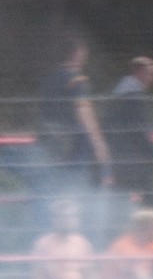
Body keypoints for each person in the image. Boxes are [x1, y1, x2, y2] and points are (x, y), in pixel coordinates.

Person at [37, 38, 109, 200]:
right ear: (77, 53)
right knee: (73, 185)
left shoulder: (49, 79)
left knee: (50, 184)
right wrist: (99, 143)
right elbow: (84, 112)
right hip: (71, 141)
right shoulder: (76, 80)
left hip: (47, 137)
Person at [105, 57, 153, 203]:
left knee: (121, 196)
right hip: (137, 156)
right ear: (140, 72)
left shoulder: (120, 92)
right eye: (151, 74)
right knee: (150, 197)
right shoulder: (134, 96)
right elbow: (141, 129)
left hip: (120, 154)